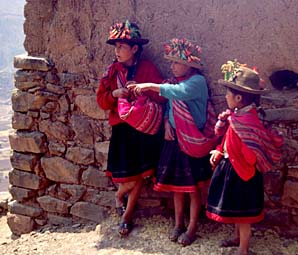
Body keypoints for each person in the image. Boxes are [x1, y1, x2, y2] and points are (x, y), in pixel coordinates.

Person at [129, 38, 217, 246]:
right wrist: (168, 124)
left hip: (192, 141)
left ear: (189, 64)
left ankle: (192, 227)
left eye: (176, 62)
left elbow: (178, 94)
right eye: (171, 63)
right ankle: (178, 224)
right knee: (178, 187)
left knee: (193, 188)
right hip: (175, 140)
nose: (172, 66)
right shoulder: (175, 82)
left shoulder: (196, 83)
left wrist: (150, 86)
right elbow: (171, 105)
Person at [206, 60, 283, 255]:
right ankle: (236, 238)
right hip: (233, 168)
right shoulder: (237, 116)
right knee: (235, 208)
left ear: (239, 97)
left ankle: (243, 248)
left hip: (244, 173)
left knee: (244, 216)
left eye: (228, 94)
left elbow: (251, 151)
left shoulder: (248, 120)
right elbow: (229, 137)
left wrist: (244, 163)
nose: (225, 96)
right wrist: (220, 151)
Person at [96, 20, 165, 237]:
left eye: (121, 47)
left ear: (134, 49)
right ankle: (120, 197)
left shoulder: (148, 69)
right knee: (131, 176)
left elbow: (161, 96)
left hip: (143, 129)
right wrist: (113, 95)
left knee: (139, 176)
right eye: (115, 47)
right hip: (123, 130)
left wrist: (141, 91)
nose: (117, 51)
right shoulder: (112, 72)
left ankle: (126, 216)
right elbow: (101, 101)